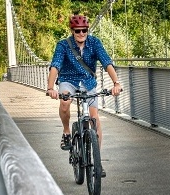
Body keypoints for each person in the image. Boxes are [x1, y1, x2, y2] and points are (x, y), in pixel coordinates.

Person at [47, 14, 122, 176]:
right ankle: (67, 131)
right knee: (65, 102)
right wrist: (50, 87)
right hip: (68, 80)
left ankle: (97, 163)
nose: (81, 33)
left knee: (94, 119)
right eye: (78, 31)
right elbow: (55, 66)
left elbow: (107, 62)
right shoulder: (63, 45)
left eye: (84, 30)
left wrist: (116, 83)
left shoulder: (94, 43)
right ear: (72, 31)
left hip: (88, 83)